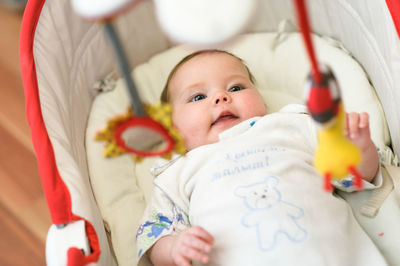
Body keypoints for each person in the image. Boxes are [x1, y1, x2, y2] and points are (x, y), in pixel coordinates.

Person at [136, 50, 385, 266]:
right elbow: (154, 236)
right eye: (198, 97)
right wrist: (174, 247)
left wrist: (360, 149)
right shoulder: (176, 174)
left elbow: (358, 176)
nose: (221, 97)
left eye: (236, 87)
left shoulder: (292, 125)